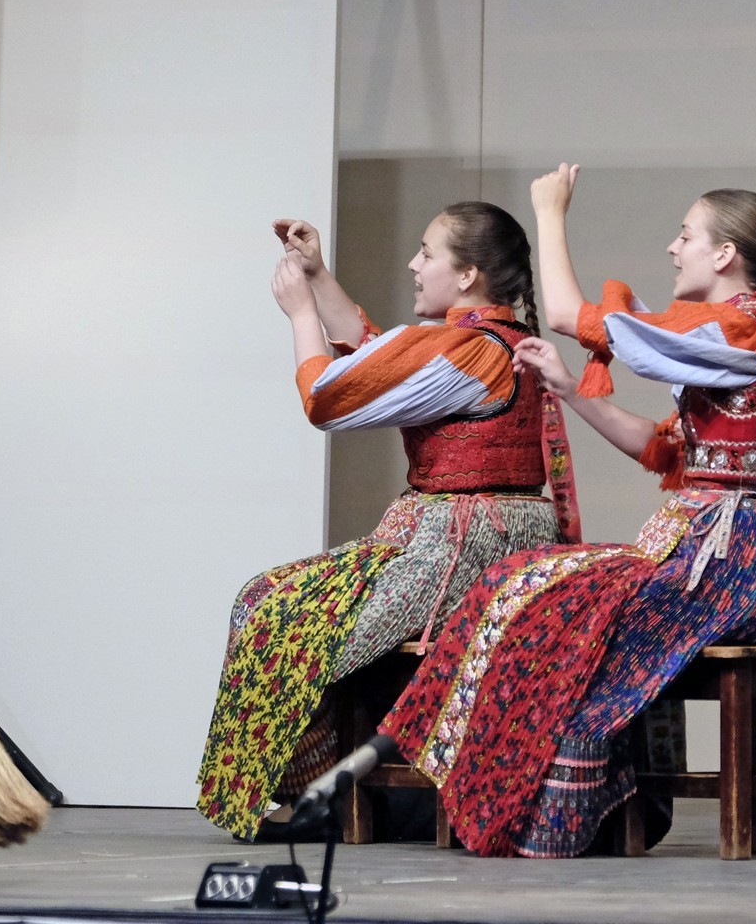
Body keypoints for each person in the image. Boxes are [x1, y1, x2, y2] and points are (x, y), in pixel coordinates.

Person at [378, 165, 756, 858]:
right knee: (524, 582)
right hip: (724, 549)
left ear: (725, 255)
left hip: (742, 560)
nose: (673, 248)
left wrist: (550, 211)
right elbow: (660, 447)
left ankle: (560, 808)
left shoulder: (743, 331)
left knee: (555, 600)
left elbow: (571, 316)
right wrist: (570, 389)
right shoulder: (735, 337)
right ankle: (557, 795)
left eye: (686, 236)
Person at [195, 203, 574, 841]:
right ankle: (315, 792)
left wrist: (303, 317)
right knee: (264, 599)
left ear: (467, 275)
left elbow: (330, 399)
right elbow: (382, 356)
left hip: (469, 546)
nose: (413, 264)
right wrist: (318, 276)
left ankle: (318, 797)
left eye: (427, 252)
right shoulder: (482, 341)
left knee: (286, 619)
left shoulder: (471, 351)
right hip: (450, 533)